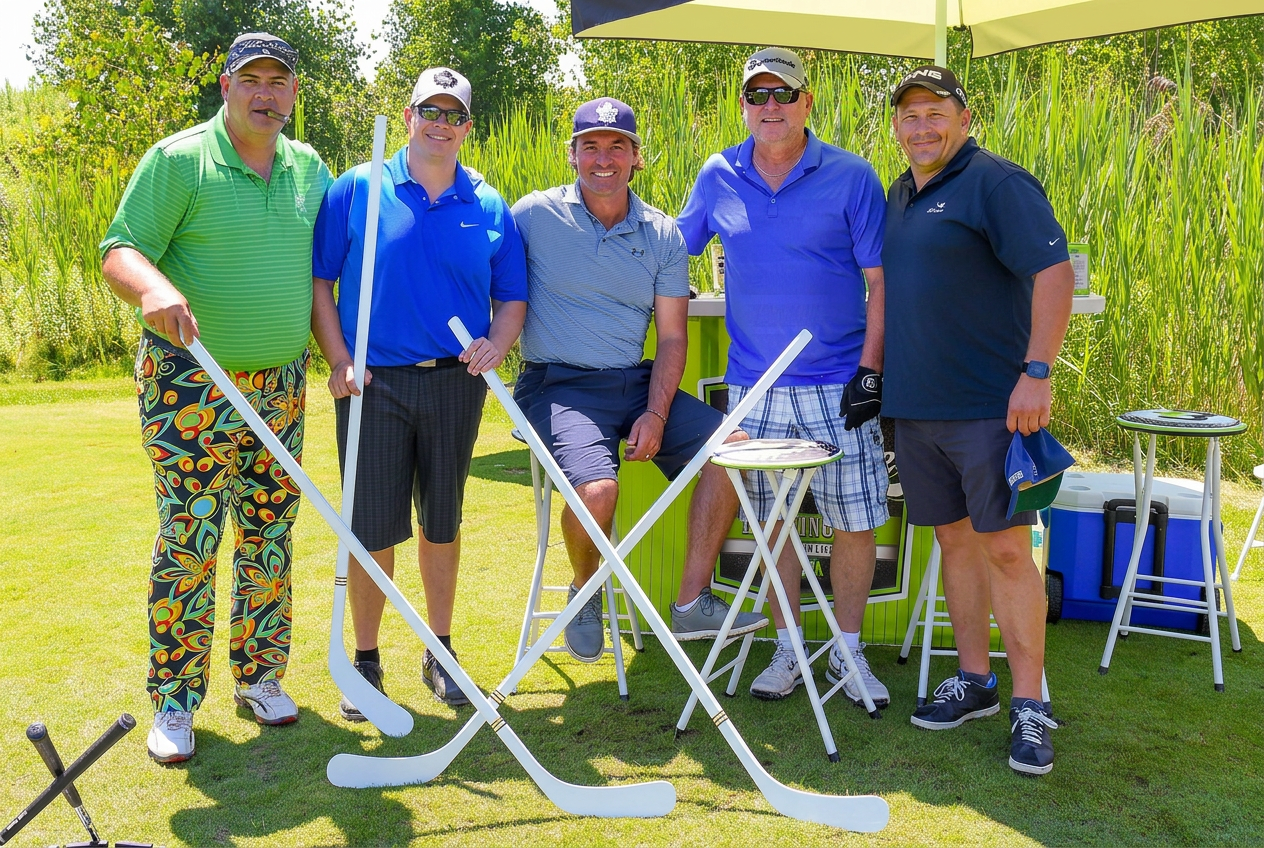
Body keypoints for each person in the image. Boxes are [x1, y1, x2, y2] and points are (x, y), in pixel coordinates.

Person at [100, 33, 332, 763]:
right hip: (189, 385)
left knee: (268, 534)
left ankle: (260, 676)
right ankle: (174, 699)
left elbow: (330, 272)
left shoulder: (309, 168)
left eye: (279, 81)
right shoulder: (179, 160)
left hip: (280, 385)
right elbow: (120, 249)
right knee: (192, 536)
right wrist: (155, 287)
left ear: (294, 92)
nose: (266, 93)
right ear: (227, 86)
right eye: (251, 79)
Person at [511, 97, 767, 663]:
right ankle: (585, 591)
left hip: (634, 381)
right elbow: (485, 278)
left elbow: (672, 338)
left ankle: (690, 602)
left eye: (617, 147)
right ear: (572, 154)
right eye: (592, 147)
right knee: (598, 492)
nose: (604, 159)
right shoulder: (531, 215)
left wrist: (655, 413)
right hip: (558, 386)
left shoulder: (663, 234)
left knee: (734, 450)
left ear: (637, 158)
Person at [676, 48, 891, 707]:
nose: (770, 107)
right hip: (755, 388)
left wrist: (870, 371)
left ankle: (847, 655)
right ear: (743, 106)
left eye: (783, 94)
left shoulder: (853, 177)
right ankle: (789, 649)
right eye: (757, 96)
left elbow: (882, 281)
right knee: (773, 528)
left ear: (806, 103)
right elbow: (668, 250)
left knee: (854, 522)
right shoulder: (717, 175)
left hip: (838, 383)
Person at [311, 67, 527, 713]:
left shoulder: (486, 203)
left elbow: (511, 297)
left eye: (453, 114)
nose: (440, 123)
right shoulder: (358, 188)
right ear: (407, 116)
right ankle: (368, 660)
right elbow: (321, 283)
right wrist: (339, 357)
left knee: (442, 520)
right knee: (372, 526)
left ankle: (440, 649)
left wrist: (498, 342)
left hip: (455, 384)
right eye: (428, 110)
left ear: (467, 127)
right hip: (371, 385)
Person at [881, 65, 1075, 775]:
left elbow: (1055, 275)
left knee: (1003, 551)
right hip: (918, 412)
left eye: (935, 113)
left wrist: (1037, 373)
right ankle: (977, 683)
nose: (922, 126)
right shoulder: (901, 191)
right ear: (896, 127)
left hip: (991, 409)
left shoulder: (997, 181)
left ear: (965, 117)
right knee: (954, 547)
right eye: (909, 116)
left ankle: (1031, 705)